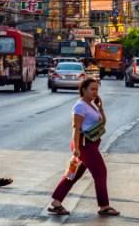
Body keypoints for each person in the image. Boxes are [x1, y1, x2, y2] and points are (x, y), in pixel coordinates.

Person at [48, 77, 120, 217]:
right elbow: (76, 127)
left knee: (74, 173)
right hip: (84, 144)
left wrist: (100, 108)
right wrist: (76, 148)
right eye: (92, 89)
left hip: (90, 144)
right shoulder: (80, 106)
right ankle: (104, 206)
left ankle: (56, 202)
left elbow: (102, 123)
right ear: (83, 90)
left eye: (96, 89)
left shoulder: (91, 105)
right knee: (100, 172)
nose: (95, 92)